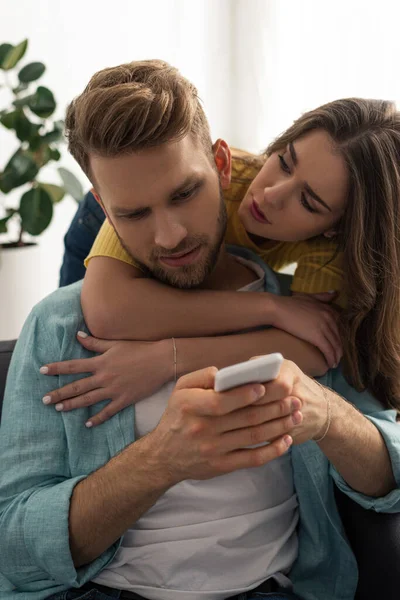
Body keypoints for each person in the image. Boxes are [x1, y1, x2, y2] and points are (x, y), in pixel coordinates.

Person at [0, 59, 399, 600]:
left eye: (185, 194)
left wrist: (325, 412)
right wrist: (161, 460)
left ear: (222, 165)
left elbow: (388, 474)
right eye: (134, 213)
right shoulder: (59, 325)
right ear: (104, 211)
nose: (170, 236)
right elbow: (15, 547)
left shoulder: (313, 314)